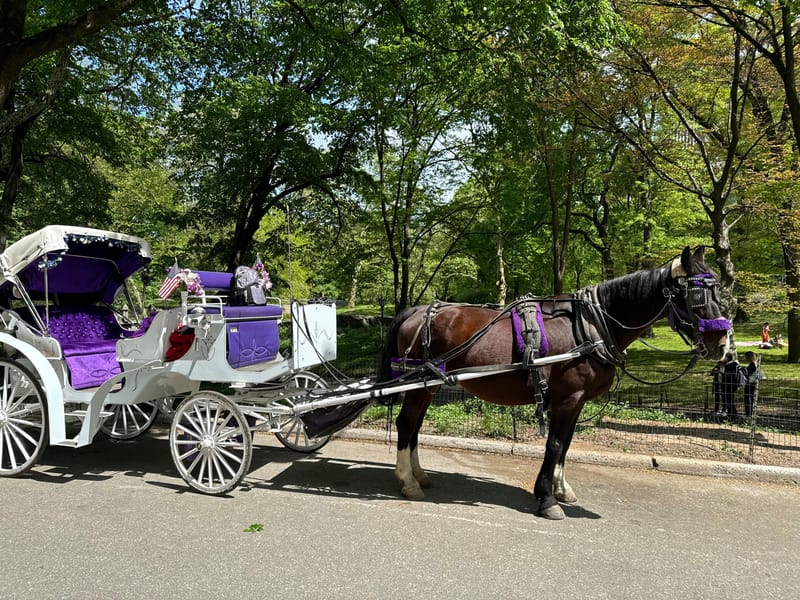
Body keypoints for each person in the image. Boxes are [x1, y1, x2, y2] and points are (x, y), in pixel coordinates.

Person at [720, 352, 744, 422]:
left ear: (727, 358)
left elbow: (727, 376)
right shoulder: (734, 365)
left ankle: (733, 415)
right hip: (733, 386)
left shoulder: (729, 366)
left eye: (724, 357)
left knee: (728, 400)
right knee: (729, 400)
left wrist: (722, 373)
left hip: (728, 386)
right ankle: (731, 414)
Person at [742, 351, 762, 418]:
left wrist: (744, 371)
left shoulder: (752, 364)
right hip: (753, 383)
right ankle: (752, 412)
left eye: (746, 357)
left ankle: (748, 413)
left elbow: (749, 373)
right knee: (752, 398)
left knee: (748, 398)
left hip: (750, 383)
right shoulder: (755, 363)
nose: (745, 358)